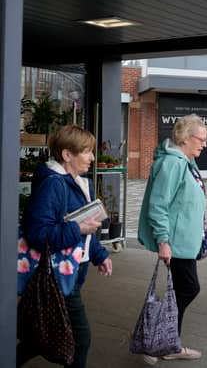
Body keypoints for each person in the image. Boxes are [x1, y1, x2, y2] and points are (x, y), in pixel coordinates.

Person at [17, 125, 112, 368]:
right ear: (67, 155)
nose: (92, 158)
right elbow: (38, 233)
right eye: (87, 152)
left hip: (71, 273)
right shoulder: (53, 185)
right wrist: (76, 229)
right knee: (81, 339)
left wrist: (99, 254)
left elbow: (87, 229)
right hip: (57, 278)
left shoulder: (81, 183)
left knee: (37, 339)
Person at [138, 114, 207, 364]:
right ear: (186, 138)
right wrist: (163, 240)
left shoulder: (186, 161)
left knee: (179, 291)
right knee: (188, 288)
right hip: (174, 242)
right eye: (201, 139)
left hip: (183, 241)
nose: (204, 144)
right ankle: (160, 341)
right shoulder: (173, 164)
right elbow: (158, 205)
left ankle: (166, 343)